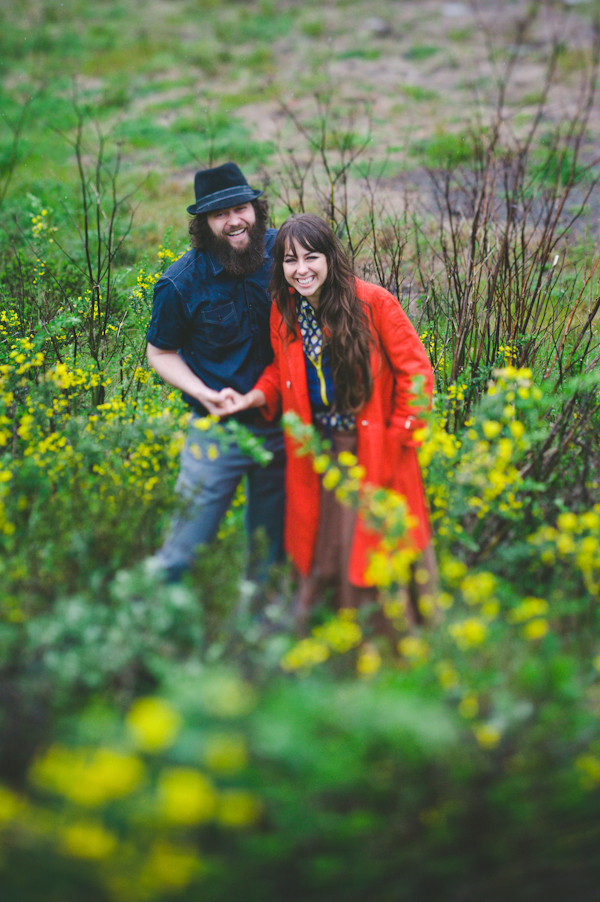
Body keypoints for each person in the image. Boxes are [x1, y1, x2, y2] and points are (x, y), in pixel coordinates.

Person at [223, 213, 436, 624]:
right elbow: (282, 374)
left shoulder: (374, 303)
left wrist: (398, 438)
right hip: (320, 450)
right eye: (289, 260)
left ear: (330, 258)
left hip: (376, 447)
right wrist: (253, 396)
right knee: (331, 542)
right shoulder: (284, 312)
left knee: (376, 540)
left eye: (311, 257)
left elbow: (418, 373)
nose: (301, 270)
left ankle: (395, 636)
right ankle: (335, 635)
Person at [146, 162, 285, 582]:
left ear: (256, 210)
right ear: (204, 224)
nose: (233, 221)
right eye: (219, 214)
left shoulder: (284, 252)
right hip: (215, 430)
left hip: (282, 426)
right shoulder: (180, 283)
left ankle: (258, 628)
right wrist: (202, 391)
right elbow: (160, 351)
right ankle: (151, 625)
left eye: (240, 208)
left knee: (271, 549)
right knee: (182, 550)